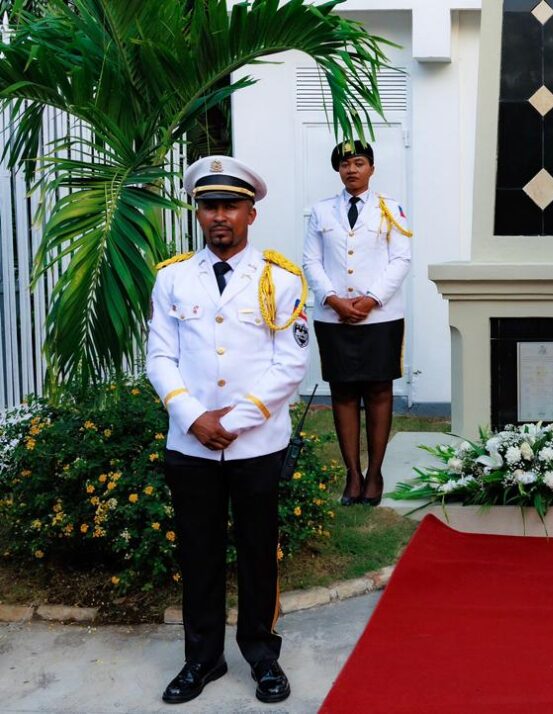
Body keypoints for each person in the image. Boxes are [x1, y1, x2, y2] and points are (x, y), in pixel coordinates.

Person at [147, 156, 309, 705]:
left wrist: (232, 422)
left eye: (231, 207)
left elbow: (290, 364)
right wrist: (193, 416)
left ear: (251, 213)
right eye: (209, 206)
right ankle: (202, 659)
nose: (220, 217)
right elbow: (160, 356)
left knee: (259, 549)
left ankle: (262, 656)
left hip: (256, 443)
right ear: (198, 212)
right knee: (198, 551)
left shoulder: (279, 279)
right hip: (189, 442)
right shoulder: (172, 277)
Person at [303, 140, 412, 506]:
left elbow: (400, 259)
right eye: (345, 164)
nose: (352, 169)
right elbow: (310, 262)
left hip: (380, 316)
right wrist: (333, 299)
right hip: (334, 317)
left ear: (372, 168)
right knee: (344, 392)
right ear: (338, 170)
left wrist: (369, 300)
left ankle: (375, 471)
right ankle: (353, 474)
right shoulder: (320, 212)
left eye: (359, 162)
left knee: (379, 391)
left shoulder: (390, 209)